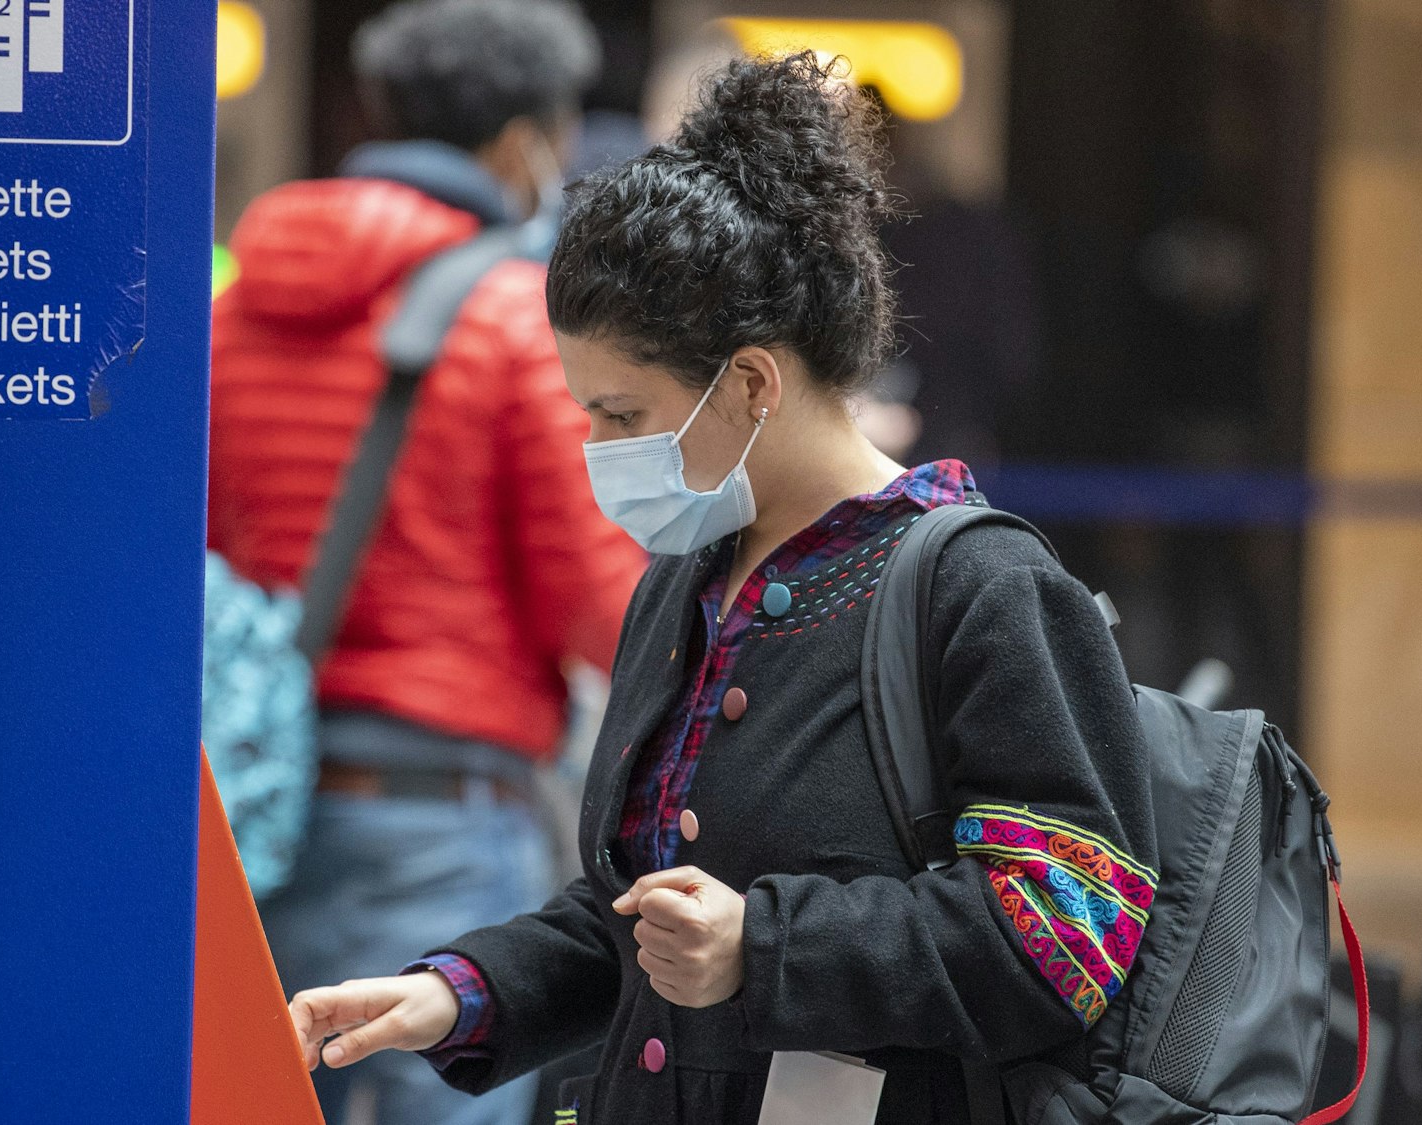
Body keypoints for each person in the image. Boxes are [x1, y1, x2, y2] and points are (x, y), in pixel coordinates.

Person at [287, 53, 1160, 1124]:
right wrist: (455, 993)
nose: (592, 445)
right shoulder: (686, 578)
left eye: (618, 413)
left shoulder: (979, 586)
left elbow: (1073, 930)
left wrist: (766, 945)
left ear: (748, 384)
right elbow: (639, 914)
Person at [206, 2, 645, 1123]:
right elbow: (598, 601)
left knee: (262, 1093)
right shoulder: (509, 322)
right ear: (521, 143)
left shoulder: (233, 310)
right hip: (446, 816)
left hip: (264, 806)